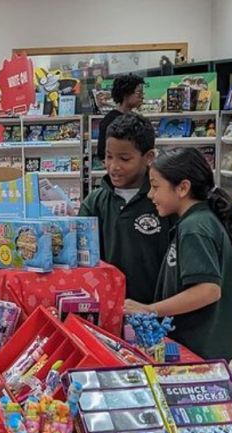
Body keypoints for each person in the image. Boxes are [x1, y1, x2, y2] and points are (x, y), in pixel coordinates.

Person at [125, 148, 232, 361]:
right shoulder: (194, 221)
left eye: (155, 186)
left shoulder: (195, 227)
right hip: (199, 346)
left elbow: (208, 290)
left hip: (202, 349)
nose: (150, 194)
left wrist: (149, 309)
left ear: (182, 188)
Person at [79, 112, 173, 304]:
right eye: (109, 157)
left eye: (124, 158)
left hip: (157, 309)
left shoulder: (164, 200)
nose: (113, 166)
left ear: (149, 157)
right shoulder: (95, 202)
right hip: (107, 306)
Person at [96, 73, 145, 162]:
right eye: (139, 93)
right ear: (126, 94)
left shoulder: (135, 118)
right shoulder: (110, 120)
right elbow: (102, 153)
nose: (142, 96)